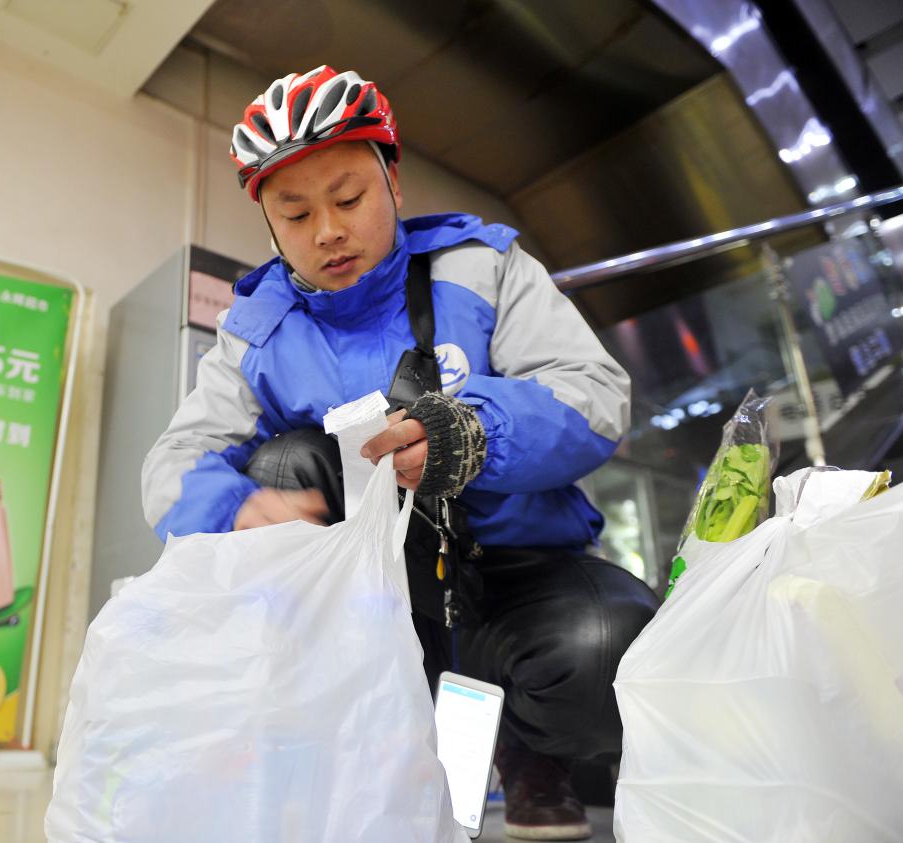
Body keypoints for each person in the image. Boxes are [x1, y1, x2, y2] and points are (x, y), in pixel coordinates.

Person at [141, 66, 658, 841]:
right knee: (278, 466)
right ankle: (363, 759)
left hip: (520, 571)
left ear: (393, 183)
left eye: (348, 198)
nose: (326, 231)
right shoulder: (258, 329)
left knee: (609, 653)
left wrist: (472, 433)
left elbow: (594, 394)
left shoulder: (481, 267)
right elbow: (177, 455)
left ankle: (528, 752)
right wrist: (236, 511)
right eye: (295, 213)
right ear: (270, 226)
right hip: (375, 598)